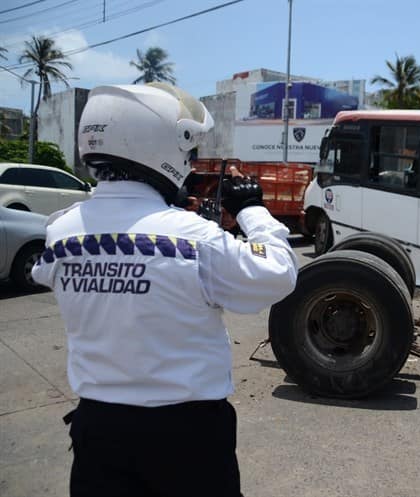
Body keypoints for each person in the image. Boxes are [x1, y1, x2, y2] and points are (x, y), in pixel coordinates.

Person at [31, 83, 298, 497]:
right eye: (188, 153)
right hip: (187, 438)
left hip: (98, 436)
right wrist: (253, 212)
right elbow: (277, 273)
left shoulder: (61, 233)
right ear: (161, 149)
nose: (190, 164)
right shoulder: (194, 239)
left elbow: (46, 274)